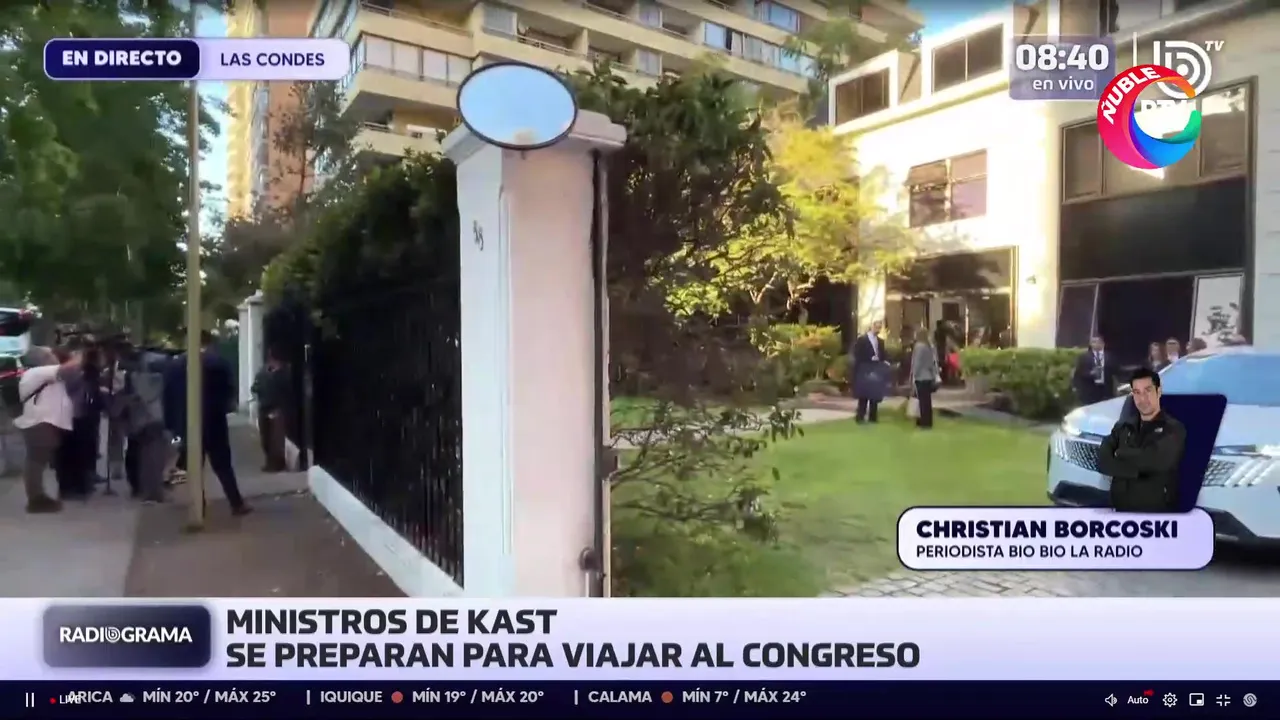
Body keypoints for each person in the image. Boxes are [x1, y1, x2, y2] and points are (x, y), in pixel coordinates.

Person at [169, 331, 251, 515]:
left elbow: (168, 396)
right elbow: (228, 391)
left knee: (194, 466)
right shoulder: (217, 363)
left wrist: (173, 424)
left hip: (186, 423)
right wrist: (224, 407)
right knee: (223, 465)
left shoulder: (175, 365)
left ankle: (198, 503)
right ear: (209, 343)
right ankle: (236, 503)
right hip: (214, 422)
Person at [1097, 368, 1186, 512]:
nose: (1142, 399)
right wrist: (1137, 471)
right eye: (1137, 392)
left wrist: (1119, 454)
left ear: (1158, 391)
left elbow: (1155, 461)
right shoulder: (1123, 426)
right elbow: (1103, 462)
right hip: (1120, 512)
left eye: (1147, 391)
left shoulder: (1173, 428)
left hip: (1156, 515)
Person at [13, 346, 81, 512]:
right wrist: (81, 355)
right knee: (36, 461)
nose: (53, 356)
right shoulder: (37, 372)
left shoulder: (40, 373)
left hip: (43, 422)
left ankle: (38, 496)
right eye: (49, 354)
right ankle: (36, 499)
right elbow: (68, 368)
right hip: (39, 422)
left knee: (38, 460)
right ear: (41, 359)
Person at [110, 346, 170, 503]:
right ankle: (153, 492)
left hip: (139, 422)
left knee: (143, 456)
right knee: (154, 458)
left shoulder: (132, 377)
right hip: (153, 420)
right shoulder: (154, 378)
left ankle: (144, 489)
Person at [251, 350, 289, 473]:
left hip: (276, 408)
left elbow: (286, 391)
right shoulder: (262, 372)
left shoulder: (284, 373)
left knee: (276, 438)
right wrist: (257, 387)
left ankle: (277, 463)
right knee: (265, 437)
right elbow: (254, 387)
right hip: (264, 407)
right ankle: (269, 462)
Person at [850, 320, 890, 424]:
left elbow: (883, 355)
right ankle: (860, 416)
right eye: (876, 327)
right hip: (864, 369)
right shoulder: (862, 340)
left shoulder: (880, 341)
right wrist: (869, 358)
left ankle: (873, 417)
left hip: (876, 369)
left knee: (874, 393)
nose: (878, 330)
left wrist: (884, 361)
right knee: (864, 394)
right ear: (871, 326)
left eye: (879, 328)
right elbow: (857, 354)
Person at [1072, 335, 1116, 406]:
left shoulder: (1110, 356)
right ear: (1090, 344)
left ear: (1103, 343)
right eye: (1094, 342)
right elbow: (1079, 373)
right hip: (1090, 390)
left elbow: (1115, 371)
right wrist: (1090, 373)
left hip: (1106, 390)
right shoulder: (1084, 357)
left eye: (1099, 342)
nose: (1096, 344)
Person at [909, 328, 939, 429]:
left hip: (921, 377)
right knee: (927, 401)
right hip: (928, 376)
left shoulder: (918, 346)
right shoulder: (929, 346)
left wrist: (914, 376)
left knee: (922, 401)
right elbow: (932, 362)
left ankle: (923, 421)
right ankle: (928, 421)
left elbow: (917, 363)